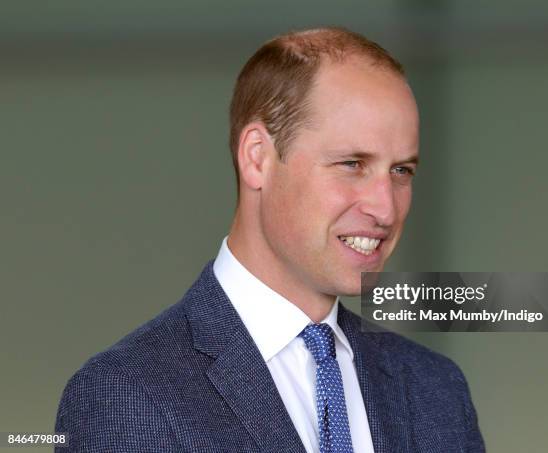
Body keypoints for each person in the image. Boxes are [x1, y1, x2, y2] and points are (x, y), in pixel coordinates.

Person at [55, 27, 485, 452]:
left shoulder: (437, 390)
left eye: (401, 171)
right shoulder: (124, 396)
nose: (386, 209)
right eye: (352, 164)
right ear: (257, 157)